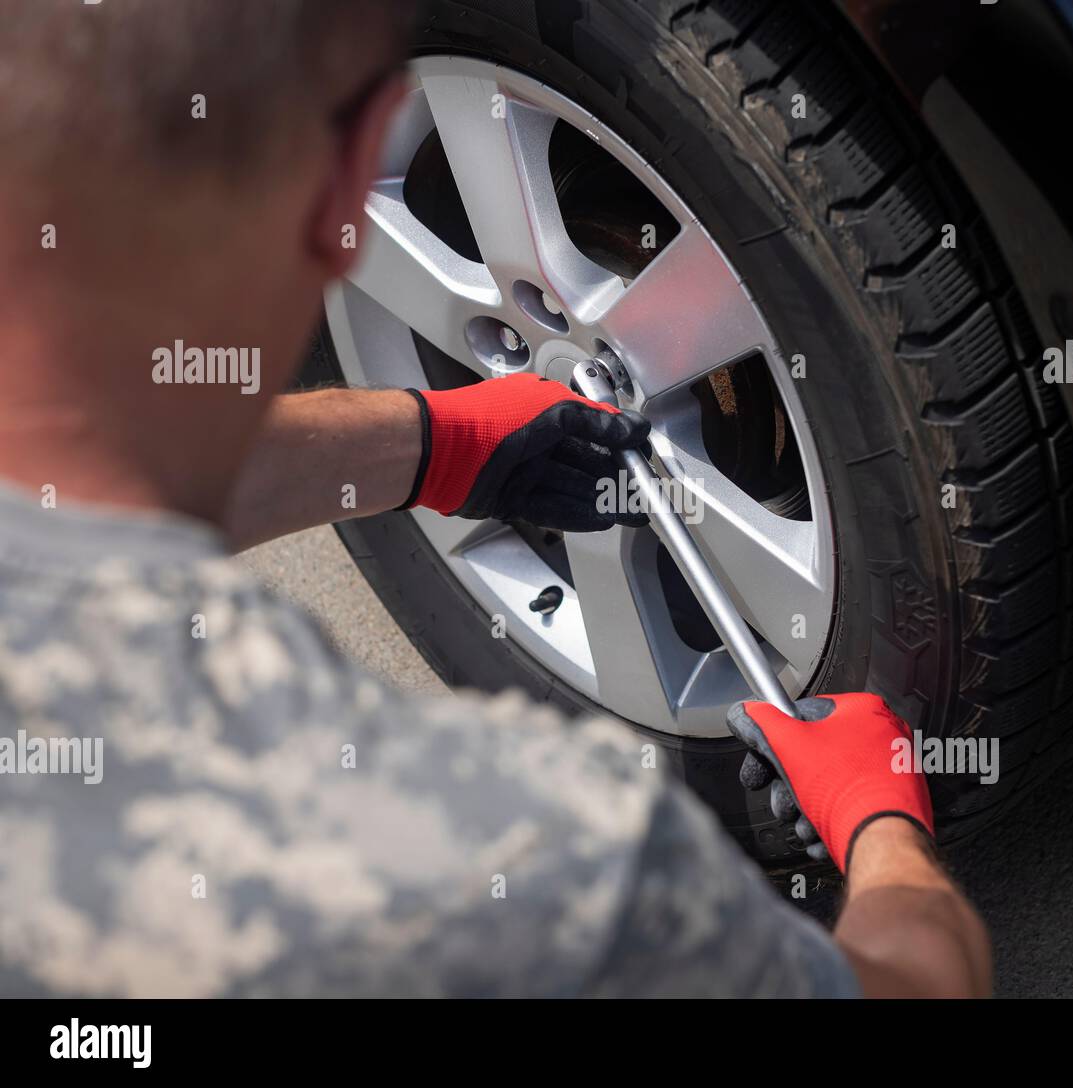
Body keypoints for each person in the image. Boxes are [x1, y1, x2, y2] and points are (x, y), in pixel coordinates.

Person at [0, 0, 990, 998]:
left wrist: (431, 440)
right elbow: (908, 987)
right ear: (344, 189)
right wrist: (879, 827)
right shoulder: (511, 859)